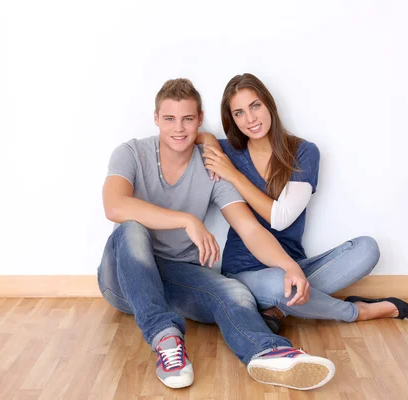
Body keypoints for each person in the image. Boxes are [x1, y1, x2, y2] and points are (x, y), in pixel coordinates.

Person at [98, 78, 336, 391]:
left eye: (187, 119)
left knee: (236, 293)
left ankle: (269, 352)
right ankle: (167, 341)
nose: (179, 128)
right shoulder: (131, 153)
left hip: (178, 278)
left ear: (199, 120)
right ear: (156, 119)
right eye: (169, 119)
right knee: (131, 228)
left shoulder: (212, 166)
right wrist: (186, 220)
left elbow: (249, 228)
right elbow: (114, 206)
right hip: (125, 279)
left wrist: (290, 266)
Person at [197, 73, 408, 334]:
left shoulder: (303, 152)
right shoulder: (230, 151)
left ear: (269, 104)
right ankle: (356, 312)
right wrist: (209, 139)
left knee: (367, 249)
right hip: (245, 270)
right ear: (232, 120)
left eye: (255, 106)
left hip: (295, 266)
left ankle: (278, 307)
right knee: (279, 285)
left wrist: (233, 175)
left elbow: (281, 217)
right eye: (239, 113)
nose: (250, 119)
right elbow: (193, 136)